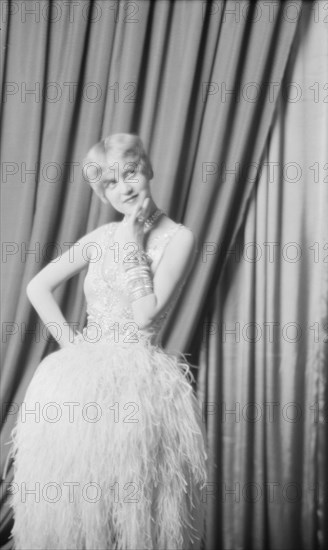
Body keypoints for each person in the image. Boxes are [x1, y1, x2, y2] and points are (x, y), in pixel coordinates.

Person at [5, 133, 208, 550]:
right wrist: (71, 345)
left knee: (133, 514)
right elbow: (37, 287)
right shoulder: (99, 238)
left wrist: (132, 246)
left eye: (130, 173)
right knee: (76, 511)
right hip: (80, 383)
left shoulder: (180, 238)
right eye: (110, 184)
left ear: (148, 169)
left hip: (140, 390)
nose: (125, 188)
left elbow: (146, 313)